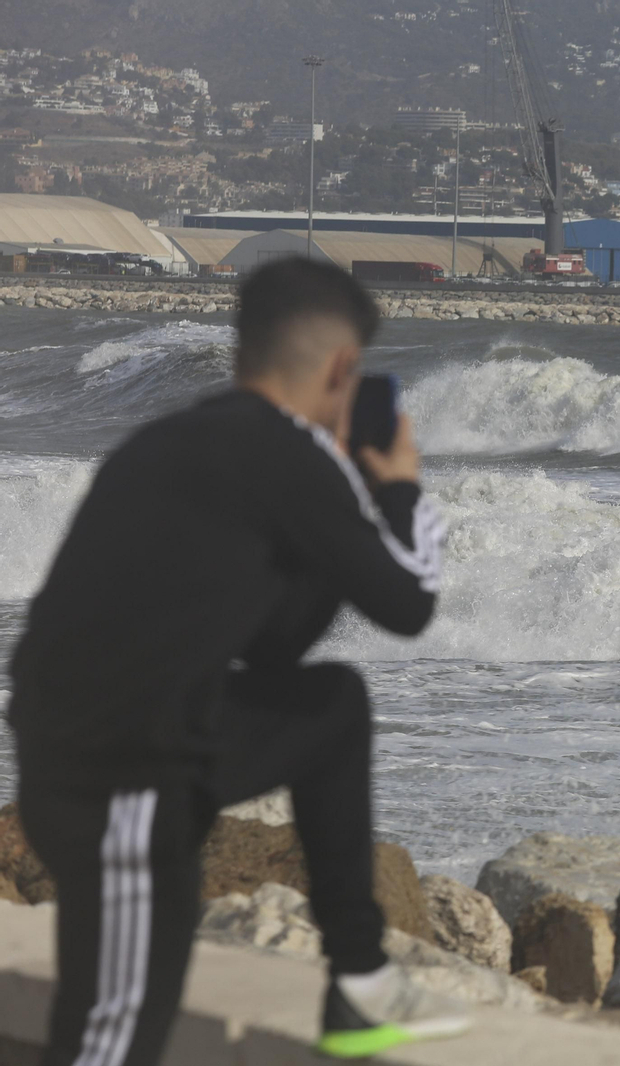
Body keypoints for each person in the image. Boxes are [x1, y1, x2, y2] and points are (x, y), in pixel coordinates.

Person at [6, 257, 468, 1065]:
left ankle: (358, 976)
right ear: (339, 369)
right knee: (108, 1039)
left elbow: (268, 646)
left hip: (104, 753)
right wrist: (396, 488)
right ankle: (358, 978)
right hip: (123, 774)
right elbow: (409, 601)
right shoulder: (290, 461)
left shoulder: (170, 442)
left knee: (330, 707)